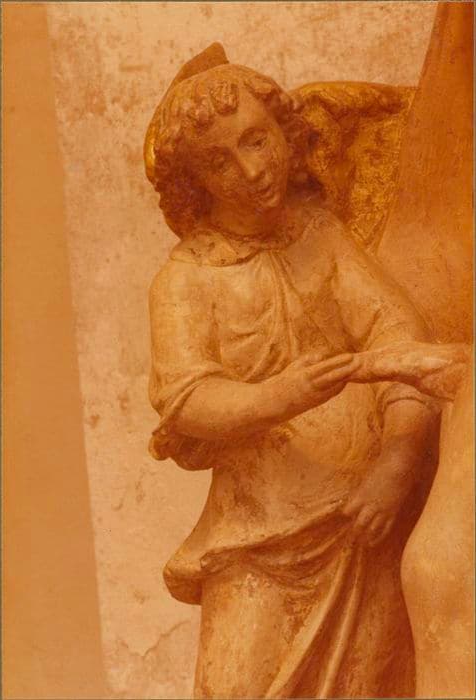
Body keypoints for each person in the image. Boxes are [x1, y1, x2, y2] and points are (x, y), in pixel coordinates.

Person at [144, 46, 439, 698]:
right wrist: (279, 396)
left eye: (257, 140)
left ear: (285, 131)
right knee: (234, 687)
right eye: (220, 161)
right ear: (195, 180)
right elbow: (186, 399)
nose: (252, 170)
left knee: (374, 685)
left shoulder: (322, 237)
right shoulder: (186, 280)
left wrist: (397, 461)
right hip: (256, 541)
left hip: (365, 525)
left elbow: (401, 342)